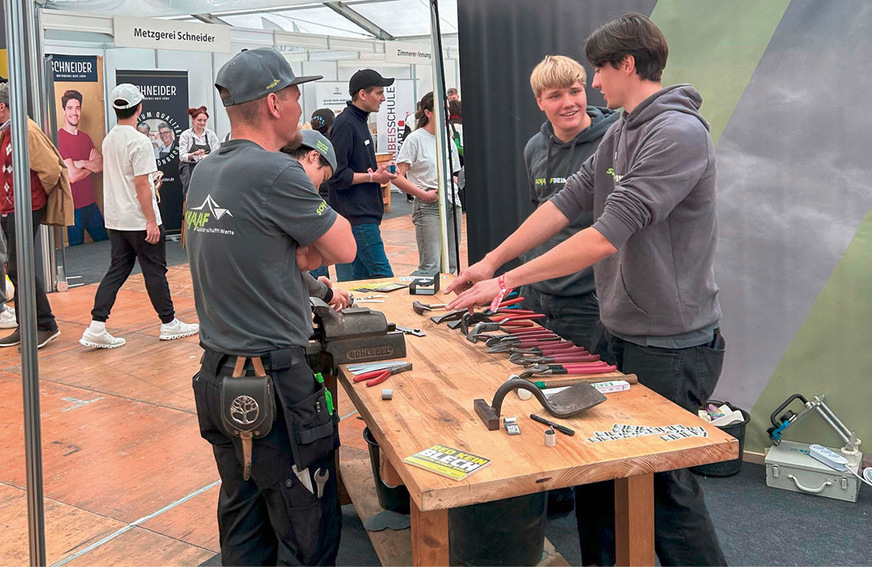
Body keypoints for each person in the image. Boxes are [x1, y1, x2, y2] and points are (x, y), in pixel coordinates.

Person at [446, 13, 726, 566]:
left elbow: (604, 235)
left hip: (672, 343)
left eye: (597, 70)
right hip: (619, 331)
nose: (593, 85)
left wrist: (506, 280)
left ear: (626, 64)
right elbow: (566, 204)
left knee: (666, 495)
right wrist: (489, 261)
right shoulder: (622, 131)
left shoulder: (676, 133)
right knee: (600, 478)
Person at [186, 47, 356, 566]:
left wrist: (293, 252)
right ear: (275, 102)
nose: (301, 104)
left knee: (243, 526)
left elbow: (259, 255)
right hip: (278, 385)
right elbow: (343, 247)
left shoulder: (206, 173)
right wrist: (302, 247)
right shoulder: (276, 174)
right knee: (307, 529)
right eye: (296, 94)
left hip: (218, 376)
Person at [79, 84, 198, 349]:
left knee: (117, 269)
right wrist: (150, 220)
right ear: (139, 107)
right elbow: (142, 184)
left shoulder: (109, 139)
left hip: (116, 219)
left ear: (114, 108)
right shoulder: (140, 141)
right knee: (155, 271)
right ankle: (169, 323)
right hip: (139, 219)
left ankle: (97, 326)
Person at [520, 55, 619, 350]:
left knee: (592, 389)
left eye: (575, 91)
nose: (568, 103)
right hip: (536, 293)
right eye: (555, 96)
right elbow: (541, 211)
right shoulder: (534, 148)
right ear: (540, 102)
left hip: (589, 299)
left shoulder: (613, 143)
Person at [0, 82, 70, 348]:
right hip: (12, 208)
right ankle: (27, 324)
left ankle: (44, 323)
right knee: (16, 268)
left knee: (20, 268)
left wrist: (32, 200)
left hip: (23, 207)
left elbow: (52, 170)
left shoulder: (24, 130)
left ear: (2, 107)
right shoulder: (10, 130)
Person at [325, 68, 397, 281]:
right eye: (379, 92)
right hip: (358, 218)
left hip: (363, 216)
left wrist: (378, 172)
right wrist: (374, 178)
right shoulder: (346, 124)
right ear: (362, 94)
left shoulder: (359, 121)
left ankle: (353, 314)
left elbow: (355, 168)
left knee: (357, 284)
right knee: (384, 277)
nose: (383, 98)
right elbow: (336, 175)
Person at [282, 129, 352, 308]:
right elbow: (346, 250)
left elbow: (279, 262)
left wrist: (321, 290)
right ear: (313, 156)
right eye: (324, 177)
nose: (319, 187)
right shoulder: (289, 185)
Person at [393, 91, 461, 274]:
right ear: (428, 112)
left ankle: (447, 301)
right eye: (442, 109)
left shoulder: (448, 140)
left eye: (447, 109)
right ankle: (422, 299)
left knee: (451, 263)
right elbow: (397, 176)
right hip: (428, 205)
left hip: (452, 203)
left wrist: (455, 185)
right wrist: (423, 194)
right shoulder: (414, 140)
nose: (446, 114)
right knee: (431, 265)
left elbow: (454, 172)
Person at [57, 89, 108, 246]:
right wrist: (89, 165)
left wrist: (81, 163)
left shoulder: (85, 138)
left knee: (105, 246)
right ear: (64, 111)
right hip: (74, 209)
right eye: (70, 108)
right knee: (77, 254)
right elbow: (72, 176)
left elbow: (100, 166)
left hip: (91, 204)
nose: (74, 112)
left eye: (77, 108)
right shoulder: (60, 138)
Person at [178, 106, 220, 196]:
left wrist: (206, 157)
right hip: (190, 167)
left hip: (208, 166)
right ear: (193, 120)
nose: (202, 123)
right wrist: (193, 154)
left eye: (204, 121)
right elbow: (182, 156)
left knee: (208, 193)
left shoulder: (211, 135)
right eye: (199, 120)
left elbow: (217, 153)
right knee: (189, 194)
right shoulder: (186, 135)